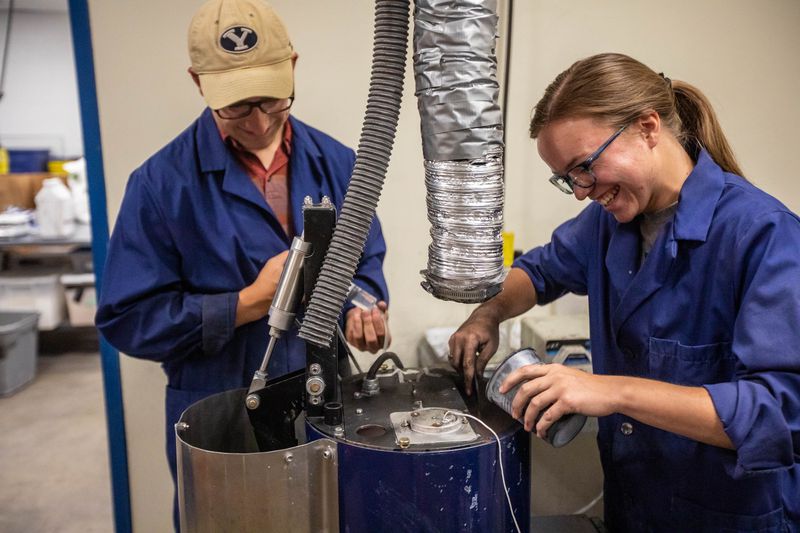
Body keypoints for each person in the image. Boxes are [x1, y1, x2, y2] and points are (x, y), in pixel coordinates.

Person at [449, 53, 799, 532]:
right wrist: (486, 315)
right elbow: (538, 272)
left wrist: (610, 391)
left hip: (728, 515)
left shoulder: (761, 234)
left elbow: (780, 411)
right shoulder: (608, 224)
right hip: (636, 508)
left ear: (648, 127)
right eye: (567, 178)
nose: (580, 191)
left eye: (585, 166)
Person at [95, 0, 390, 527]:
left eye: (272, 101)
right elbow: (128, 319)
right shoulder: (160, 186)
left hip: (325, 404)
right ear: (198, 82)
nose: (257, 121)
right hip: (220, 410)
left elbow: (365, 261)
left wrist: (363, 306)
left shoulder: (343, 163)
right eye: (236, 105)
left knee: (333, 518)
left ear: (293, 67)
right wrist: (246, 303)